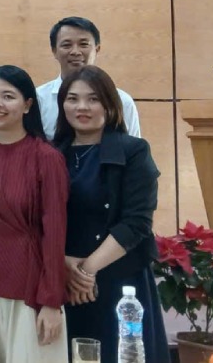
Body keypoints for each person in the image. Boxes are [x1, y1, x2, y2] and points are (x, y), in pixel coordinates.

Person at [54, 66, 169, 363]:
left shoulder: (133, 151)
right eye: (73, 99)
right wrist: (67, 267)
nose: (81, 107)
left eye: (93, 99)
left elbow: (137, 222)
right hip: (64, 280)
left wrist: (87, 271)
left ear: (109, 104)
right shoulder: (51, 153)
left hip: (119, 279)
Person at [0, 65, 69, 363]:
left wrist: (51, 301)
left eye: (8, 96)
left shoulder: (46, 158)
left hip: (29, 292)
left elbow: (54, 234)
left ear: (27, 105)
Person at [36, 16, 140, 140]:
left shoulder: (122, 100)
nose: (75, 51)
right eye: (66, 45)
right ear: (54, 51)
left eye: (83, 44)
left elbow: (133, 148)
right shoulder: (39, 99)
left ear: (97, 49)